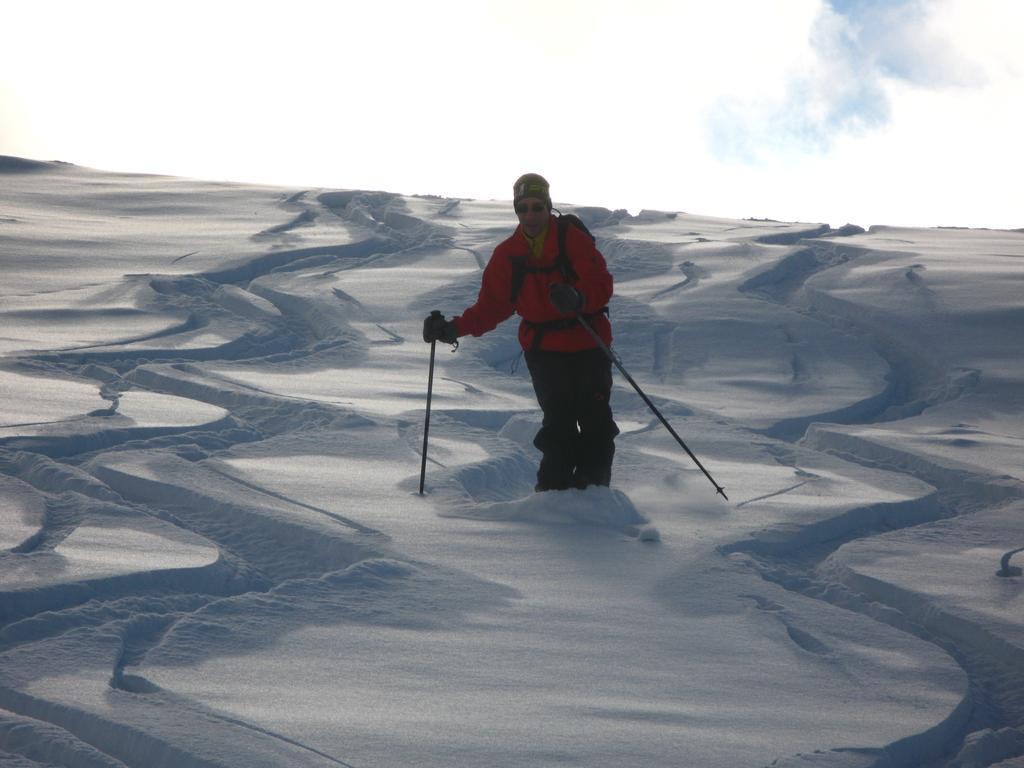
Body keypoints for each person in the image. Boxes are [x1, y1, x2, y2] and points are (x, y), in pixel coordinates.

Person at [423, 173, 619, 492]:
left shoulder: (572, 239)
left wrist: (578, 298)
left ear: (548, 206)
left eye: (537, 207)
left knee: (596, 423)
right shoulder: (508, 256)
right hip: (545, 353)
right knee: (559, 426)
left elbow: (601, 284)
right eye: (523, 208)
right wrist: (451, 329)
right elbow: (490, 308)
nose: (530, 215)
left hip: (589, 345)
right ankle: (552, 496)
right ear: (516, 210)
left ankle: (594, 494)